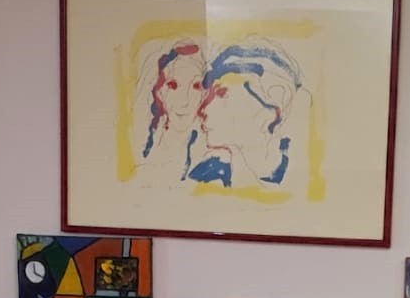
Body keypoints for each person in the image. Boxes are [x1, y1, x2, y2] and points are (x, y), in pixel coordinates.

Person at [189, 41, 306, 191]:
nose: (201, 110)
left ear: (275, 101)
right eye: (208, 95)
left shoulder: (301, 180)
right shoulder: (202, 176)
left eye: (221, 93)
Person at [131, 39, 207, 186]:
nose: (185, 101)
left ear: (204, 94)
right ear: (159, 92)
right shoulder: (145, 159)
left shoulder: (211, 156)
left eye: (196, 86)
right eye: (173, 85)